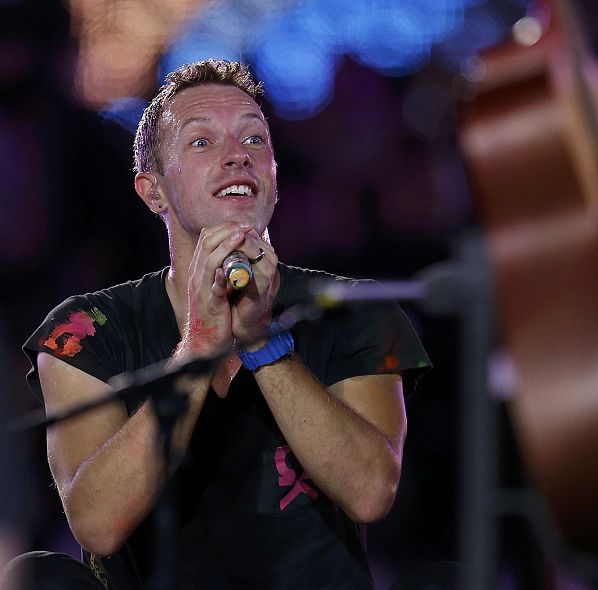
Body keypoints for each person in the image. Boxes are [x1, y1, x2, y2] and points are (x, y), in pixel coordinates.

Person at [5, 59, 430, 590]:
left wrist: (262, 342)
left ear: (275, 176)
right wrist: (199, 346)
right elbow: (97, 523)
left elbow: (370, 492)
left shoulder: (354, 311)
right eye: (201, 143)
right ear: (152, 190)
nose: (236, 156)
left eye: (255, 140)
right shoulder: (84, 331)